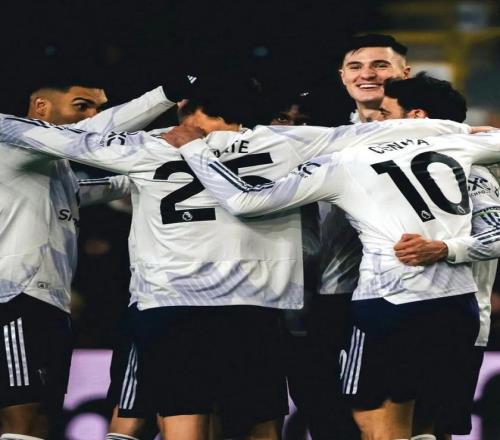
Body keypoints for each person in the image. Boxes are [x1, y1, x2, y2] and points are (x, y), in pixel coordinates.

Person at [0, 80, 473, 440]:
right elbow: (377, 133)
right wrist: (460, 132)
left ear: (190, 109)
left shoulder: (149, 146)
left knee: (180, 426)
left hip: (170, 310)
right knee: (259, 428)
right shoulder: (288, 143)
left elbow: (63, 141)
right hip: (256, 312)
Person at [161, 75, 500, 440]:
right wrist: (458, 132)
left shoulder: (345, 161)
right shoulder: (462, 146)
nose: (372, 120)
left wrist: (194, 151)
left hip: (389, 304)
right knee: (424, 427)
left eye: (383, 113)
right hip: (459, 307)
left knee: (376, 425)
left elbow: (246, 201)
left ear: (413, 116)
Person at [0, 78, 178, 440]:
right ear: (41, 106)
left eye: (97, 108)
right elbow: (92, 135)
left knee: (42, 421)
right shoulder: (8, 133)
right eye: (82, 105)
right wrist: (169, 96)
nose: (92, 115)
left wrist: (180, 155)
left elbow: (102, 188)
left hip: (48, 303)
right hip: (13, 298)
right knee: (23, 420)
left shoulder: (54, 169)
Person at [339, 33, 410, 123]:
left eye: (381, 66)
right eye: (355, 67)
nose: (367, 75)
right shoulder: (337, 130)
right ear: (343, 76)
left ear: (405, 74)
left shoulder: (425, 128)